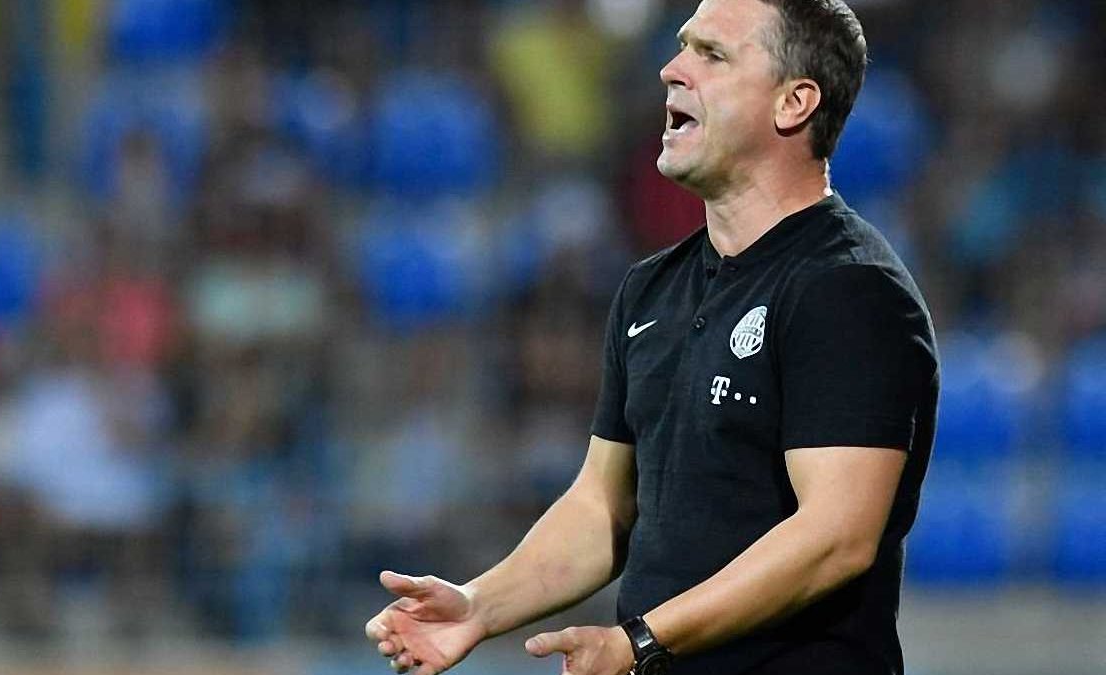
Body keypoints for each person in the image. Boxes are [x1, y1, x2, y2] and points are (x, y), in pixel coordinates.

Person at [365, 1, 939, 674]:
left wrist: (640, 640)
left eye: (712, 54)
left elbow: (836, 538)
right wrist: (478, 605)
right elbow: (603, 506)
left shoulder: (849, 290)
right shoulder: (650, 290)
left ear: (794, 103)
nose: (671, 69)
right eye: (682, 47)